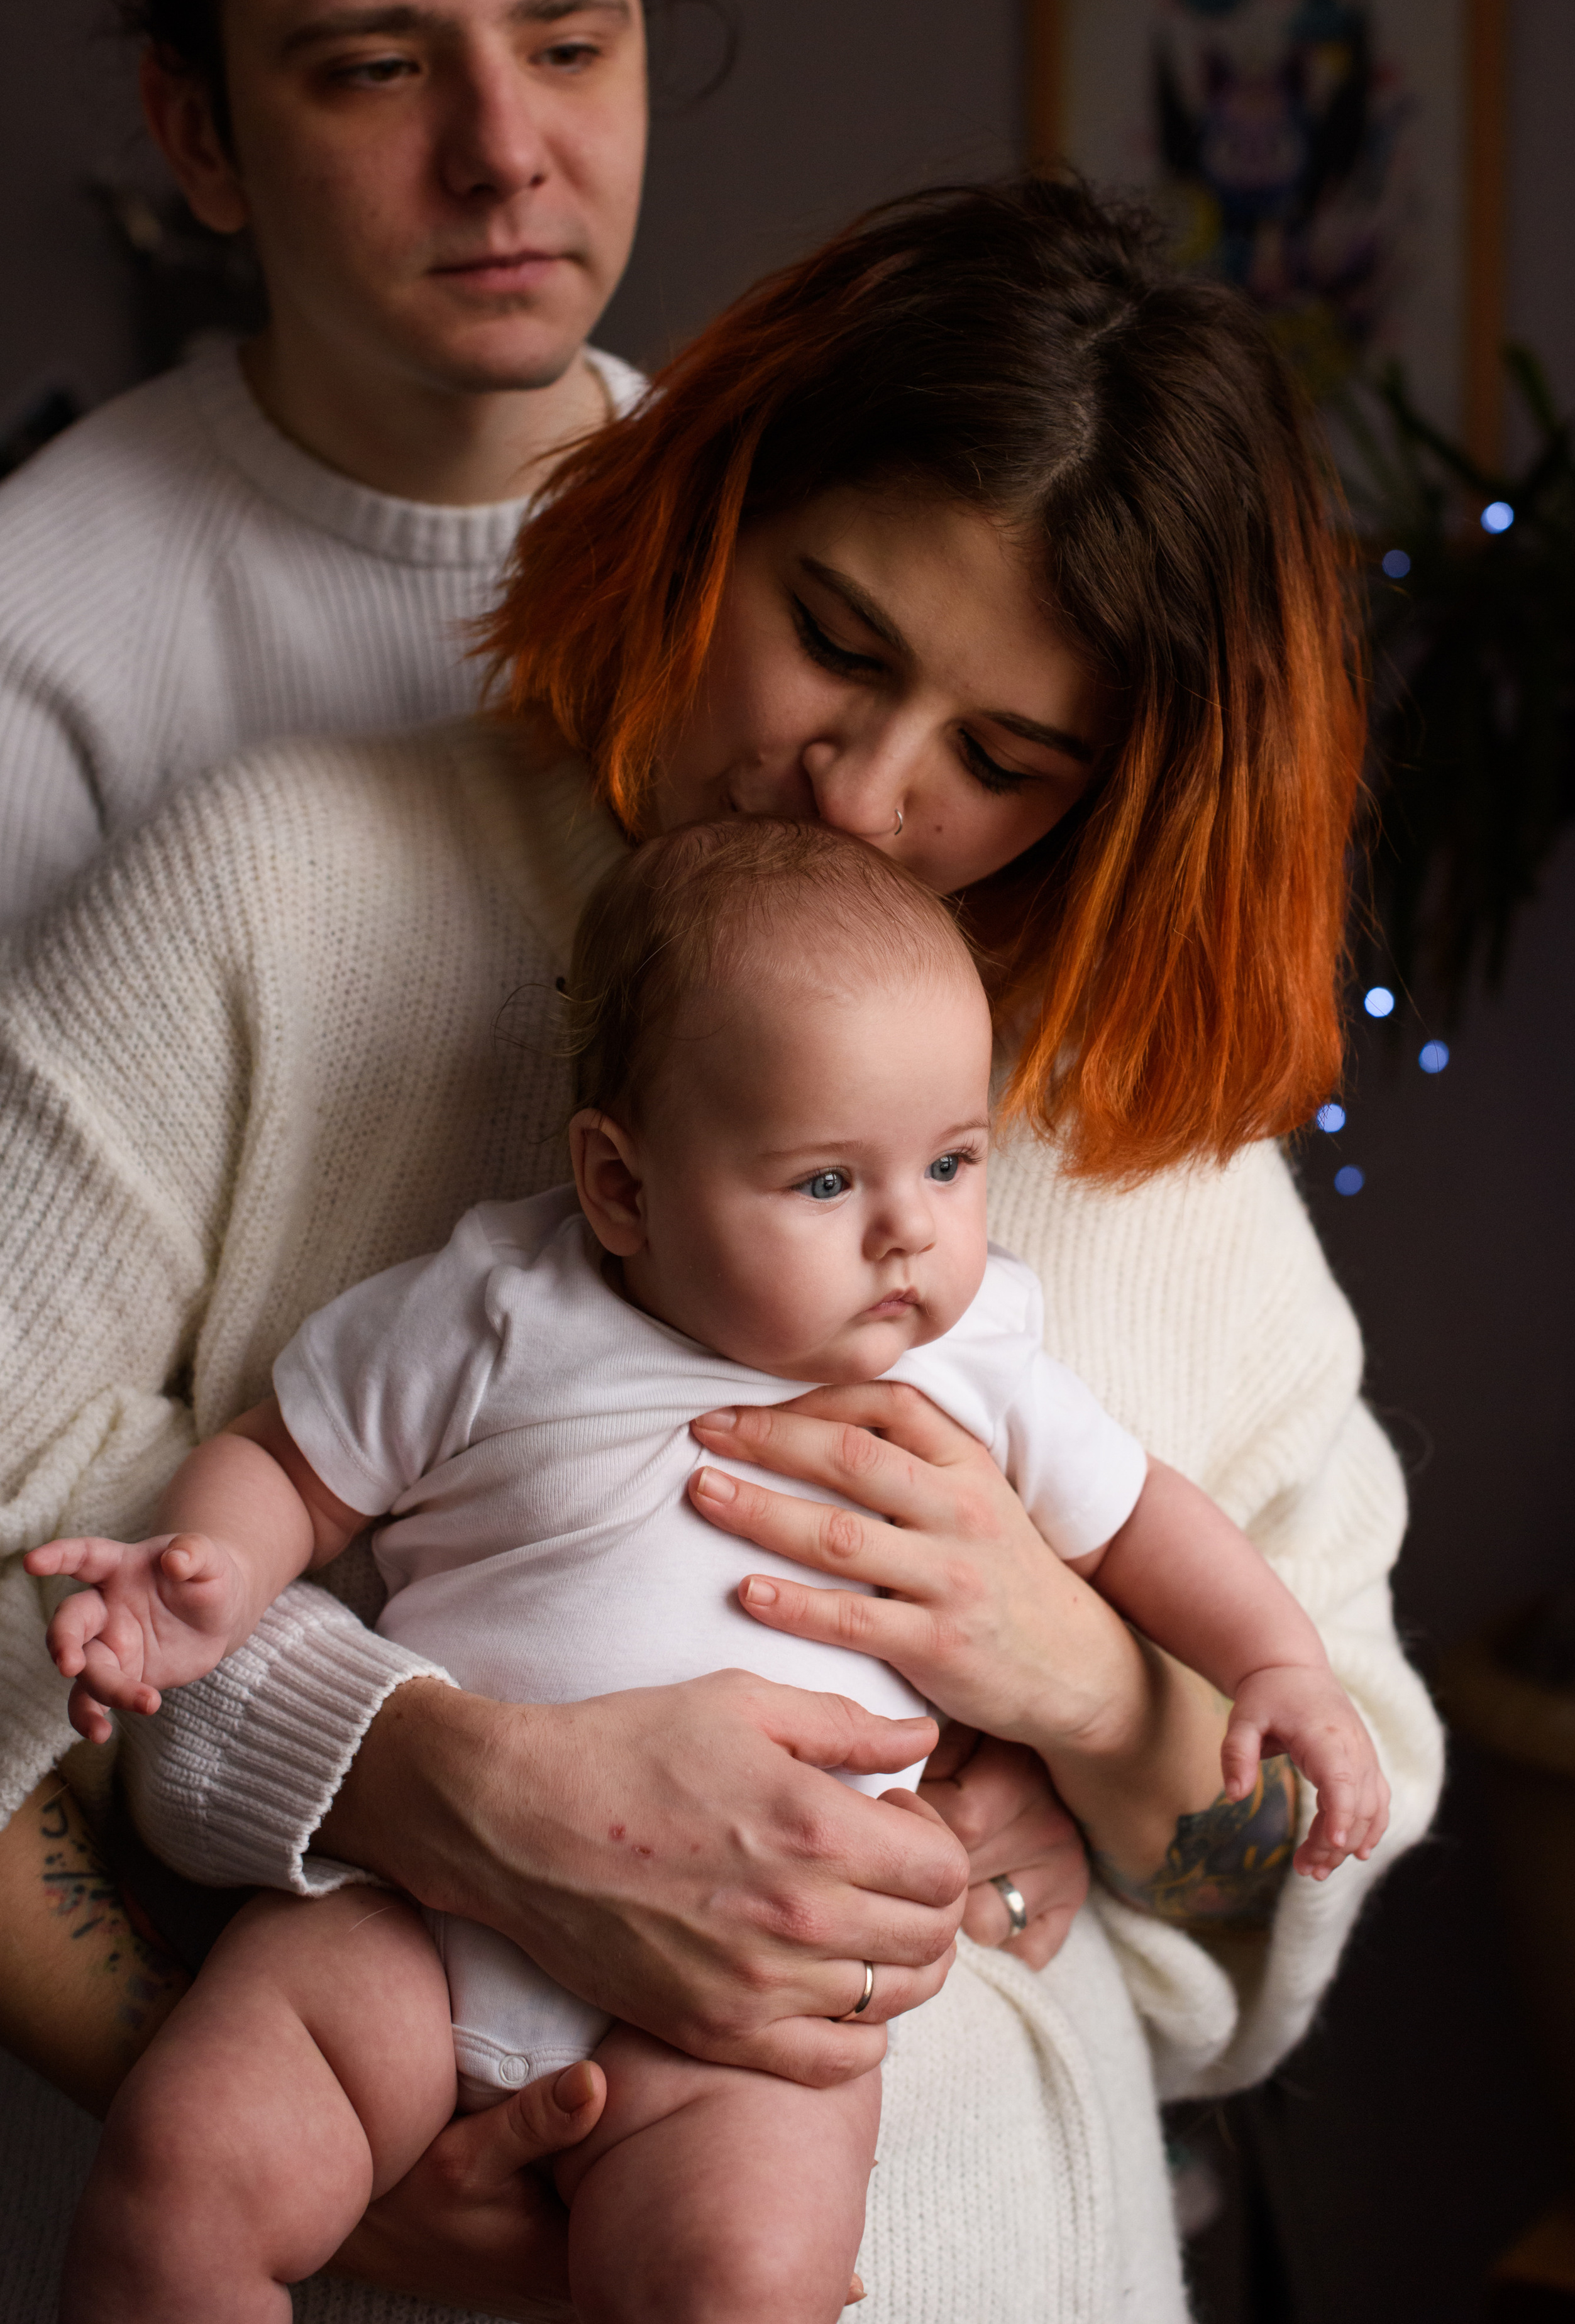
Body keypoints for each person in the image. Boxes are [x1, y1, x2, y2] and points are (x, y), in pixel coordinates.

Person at [0, 177, 1444, 2324]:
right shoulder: (278, 891)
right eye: (839, 639)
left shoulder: (1150, 1150)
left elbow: (1300, 1825)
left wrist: (1078, 1691)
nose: (865, 790)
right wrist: (426, 1771)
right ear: (709, 501)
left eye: (1005, 758)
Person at [31, 820, 1388, 2322]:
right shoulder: (497, 1302)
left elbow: (1144, 1522)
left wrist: (1274, 1666)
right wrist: (200, 1571)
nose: (908, 1233)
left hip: (760, 2014)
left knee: (741, 2278)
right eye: (824, 1183)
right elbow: (291, 1462)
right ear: (620, 1187)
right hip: (407, 1923)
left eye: (950, 1161)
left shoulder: (978, 1355)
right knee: (180, 2179)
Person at [0, 0, 653, 930]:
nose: (504, 153)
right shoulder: (34, 627)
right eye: (379, 68)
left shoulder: (812, 561)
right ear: (199, 136)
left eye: (568, 51)